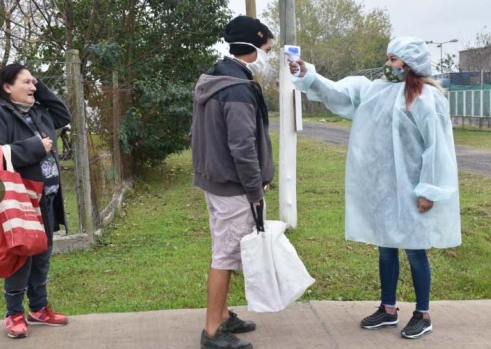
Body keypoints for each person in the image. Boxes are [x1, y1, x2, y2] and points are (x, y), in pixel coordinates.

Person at [289, 37, 461, 339]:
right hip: (383, 188)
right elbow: (341, 92)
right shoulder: (377, 90)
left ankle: (423, 313)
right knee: (386, 248)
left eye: (394, 59)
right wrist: (309, 75)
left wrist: (428, 190)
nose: (388, 64)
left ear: (410, 64)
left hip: (413, 188)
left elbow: (436, 148)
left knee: (415, 251)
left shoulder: (426, 99)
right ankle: (388, 308)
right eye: (388, 58)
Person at [191, 15, 275, 349]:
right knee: (225, 256)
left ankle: (224, 315)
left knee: (227, 249)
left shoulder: (216, 77)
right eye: (268, 47)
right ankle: (213, 330)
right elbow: (242, 146)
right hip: (233, 186)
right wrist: (255, 192)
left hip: (216, 180)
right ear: (254, 47)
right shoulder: (237, 88)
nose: (268, 55)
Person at [0, 63, 71, 338]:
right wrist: (36, 148)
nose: (32, 87)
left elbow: (63, 113)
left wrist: (40, 86)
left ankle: (38, 308)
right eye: (26, 82)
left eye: (34, 82)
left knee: (42, 255)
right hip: (20, 200)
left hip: (46, 198)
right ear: (6, 87)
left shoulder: (39, 111)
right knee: (21, 256)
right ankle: (13, 313)